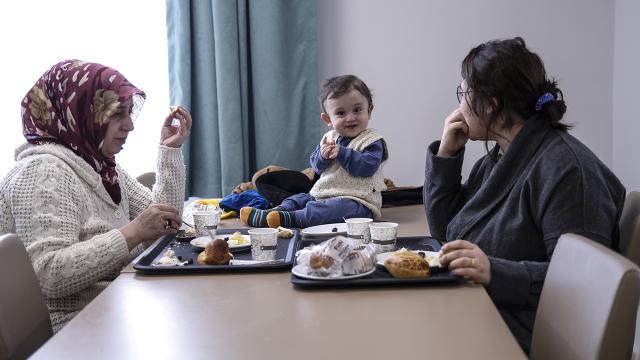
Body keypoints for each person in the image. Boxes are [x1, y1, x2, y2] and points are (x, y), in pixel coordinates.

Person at [424, 37, 625, 353]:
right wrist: (446, 156)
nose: (459, 106)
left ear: (491, 104)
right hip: (484, 312)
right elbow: (445, 232)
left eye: (464, 94)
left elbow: (584, 283)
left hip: (526, 336)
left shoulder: (568, 170)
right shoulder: (499, 158)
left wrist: (494, 271)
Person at [0, 59, 192, 332]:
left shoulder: (98, 164)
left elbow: (165, 222)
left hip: (119, 308)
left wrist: (169, 150)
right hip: (76, 330)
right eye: (117, 114)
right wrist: (132, 233)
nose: (130, 125)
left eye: (129, 113)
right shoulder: (44, 172)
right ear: (80, 114)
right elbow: (50, 273)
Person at [240, 75, 388, 228]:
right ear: (328, 119)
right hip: (323, 194)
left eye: (357, 110)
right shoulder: (329, 138)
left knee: (327, 211)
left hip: (358, 202)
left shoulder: (372, 141)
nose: (350, 118)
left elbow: (367, 167)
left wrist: (343, 153)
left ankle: (290, 219)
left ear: (369, 111)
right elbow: (316, 168)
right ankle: (274, 213)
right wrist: (323, 156)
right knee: (299, 199)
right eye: (341, 113)